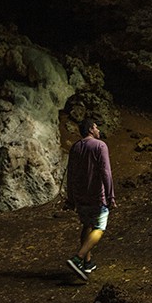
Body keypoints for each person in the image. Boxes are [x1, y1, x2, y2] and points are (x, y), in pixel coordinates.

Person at [65, 118, 116, 281]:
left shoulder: (75, 147)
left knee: (87, 224)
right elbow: (106, 172)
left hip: (80, 197)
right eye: (96, 127)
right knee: (99, 228)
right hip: (96, 196)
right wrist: (111, 196)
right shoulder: (100, 146)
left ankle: (87, 263)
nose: (98, 130)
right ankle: (78, 258)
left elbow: (70, 174)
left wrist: (71, 198)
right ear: (90, 130)